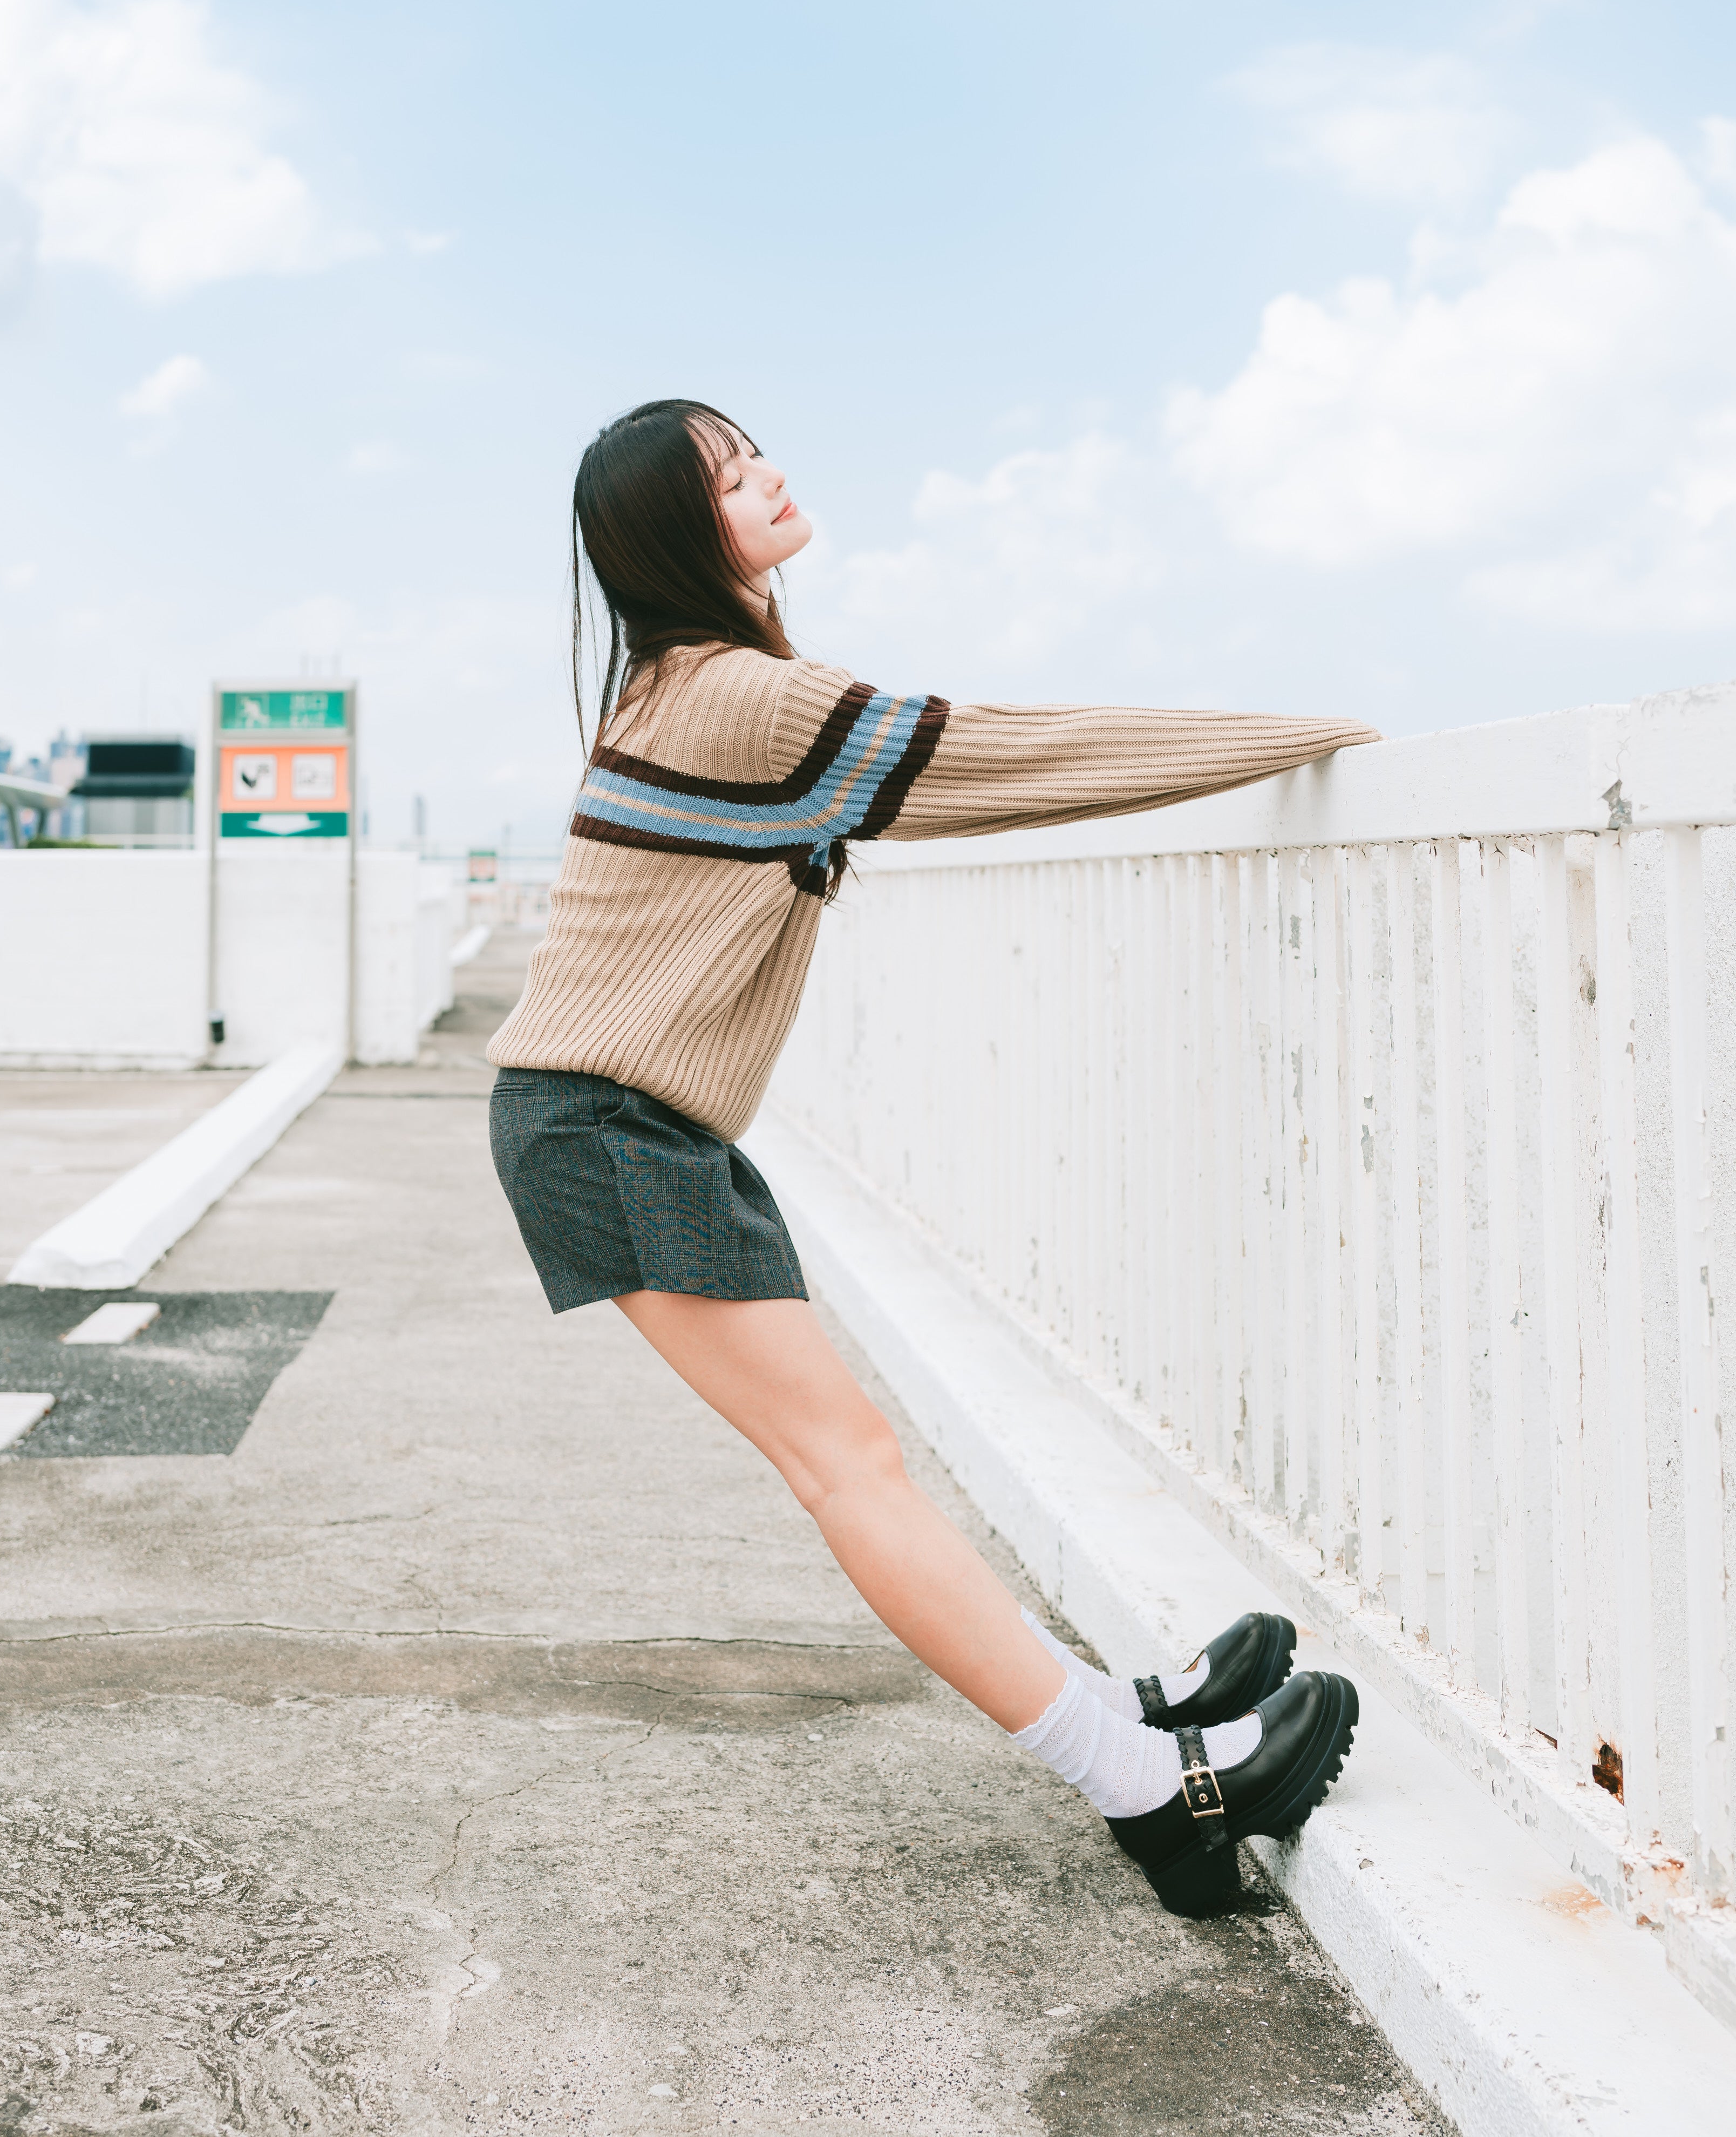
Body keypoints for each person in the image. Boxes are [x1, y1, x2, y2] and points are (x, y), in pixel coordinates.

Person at [488, 397, 1376, 1915]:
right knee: (849, 1468)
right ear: (677, 535)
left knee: (849, 1462)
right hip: (608, 1123)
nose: (766, 474)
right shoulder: (739, 702)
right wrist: (1304, 737)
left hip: (621, 1119)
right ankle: (1149, 1787)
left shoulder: (694, 686)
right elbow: (1016, 756)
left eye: (752, 451)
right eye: (727, 476)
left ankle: (1124, 1718)